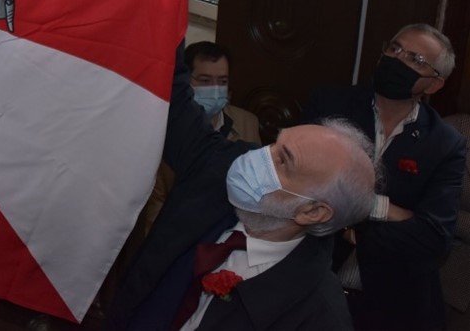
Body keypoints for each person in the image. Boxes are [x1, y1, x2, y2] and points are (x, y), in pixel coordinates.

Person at [105, 45, 378, 330]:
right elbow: (172, 92)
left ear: (312, 211)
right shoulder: (217, 167)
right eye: (275, 144)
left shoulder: (318, 315)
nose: (257, 156)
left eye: (283, 161)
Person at [300, 23, 467, 331]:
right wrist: (391, 212)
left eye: (415, 60)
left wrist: (354, 218)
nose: (398, 60)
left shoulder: (445, 144)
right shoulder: (330, 105)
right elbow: (299, 186)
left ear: (434, 85)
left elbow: (434, 239)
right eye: (395, 48)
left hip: (394, 301)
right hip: (311, 283)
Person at [142, 41, 261, 234]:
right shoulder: (165, 129)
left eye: (222, 81)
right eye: (205, 81)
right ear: (186, 82)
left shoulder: (248, 123)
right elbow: (157, 206)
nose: (215, 90)